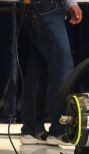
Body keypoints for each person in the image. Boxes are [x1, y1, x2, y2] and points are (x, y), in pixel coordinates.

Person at [20, 0, 82, 145]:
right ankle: (58, 130)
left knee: (38, 68)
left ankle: (32, 129)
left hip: (36, 8)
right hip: (47, 7)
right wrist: (71, 2)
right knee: (62, 68)